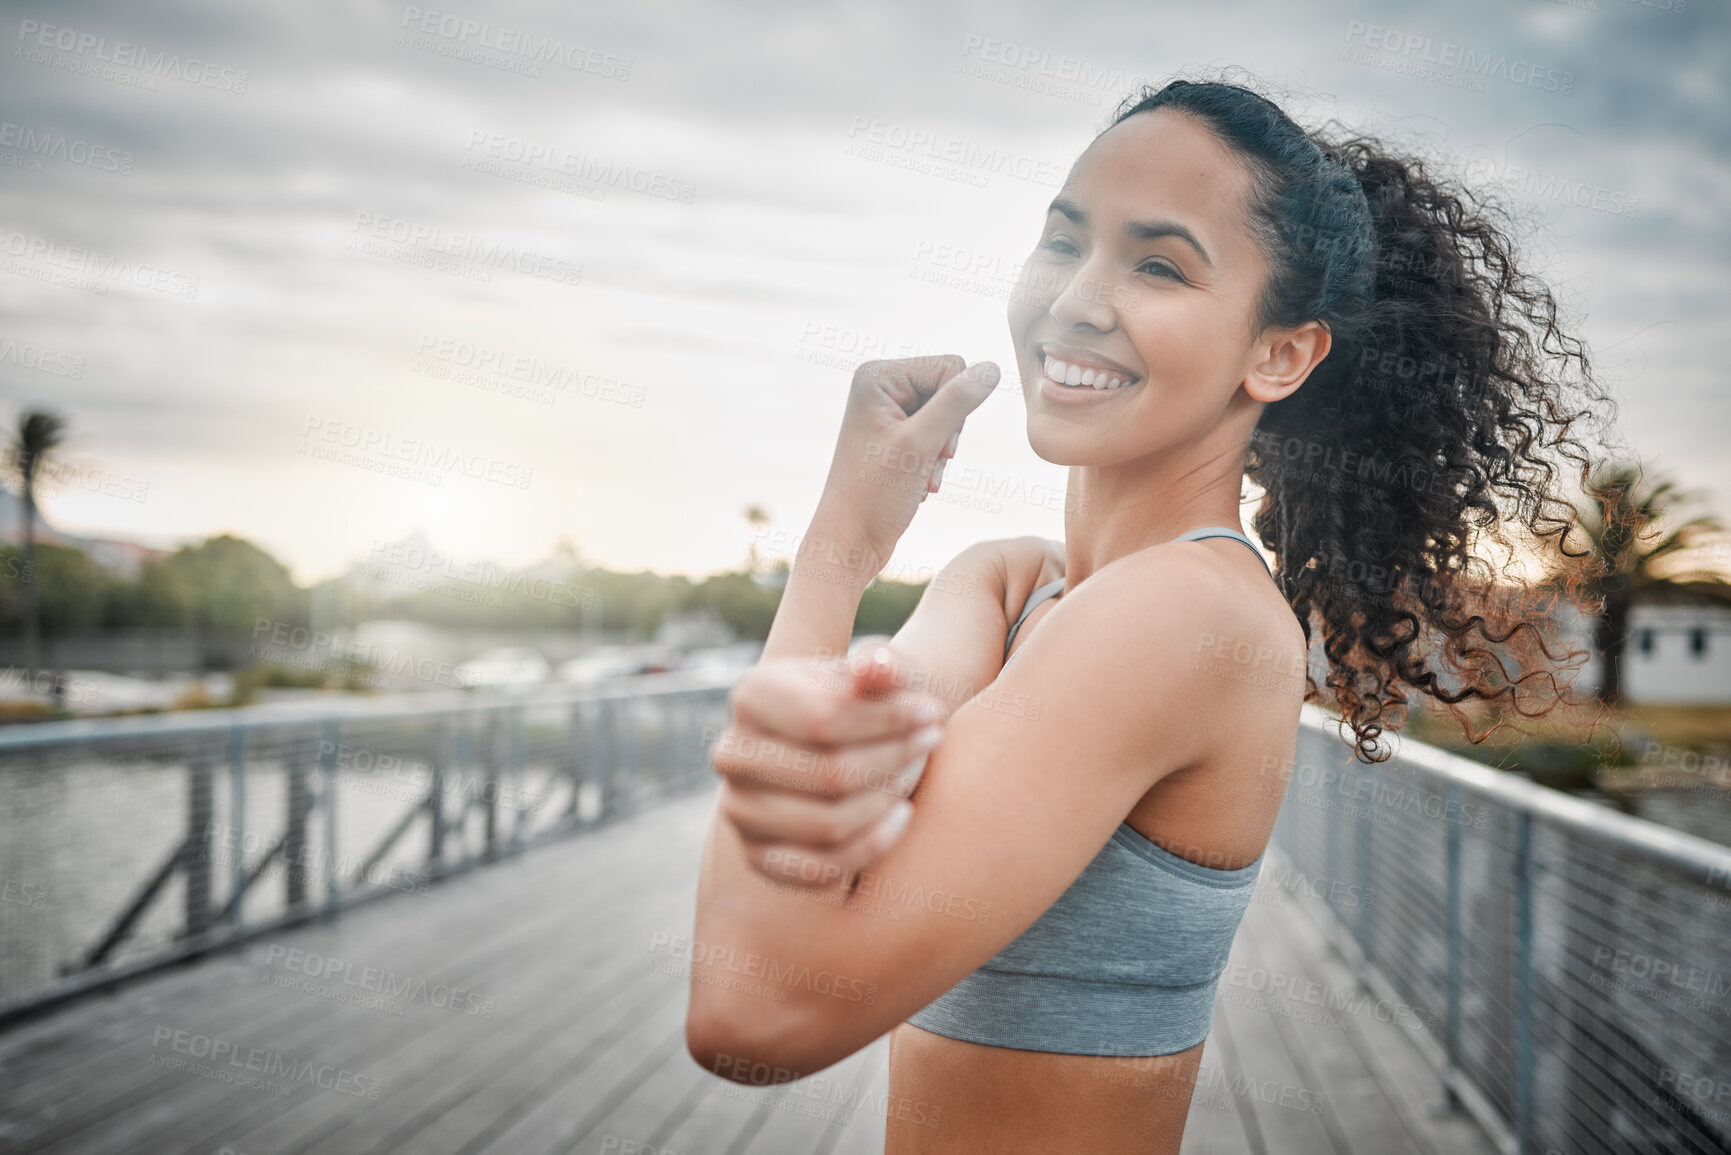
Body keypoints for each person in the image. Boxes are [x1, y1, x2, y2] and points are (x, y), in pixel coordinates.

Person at [686, 74, 1610, 1153]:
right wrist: (836, 571)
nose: (1078, 299)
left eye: (1161, 265)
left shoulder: (1184, 615)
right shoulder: (1007, 584)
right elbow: (805, 831)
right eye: (1064, 240)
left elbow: (753, 1012)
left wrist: (839, 550)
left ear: (1280, 353)